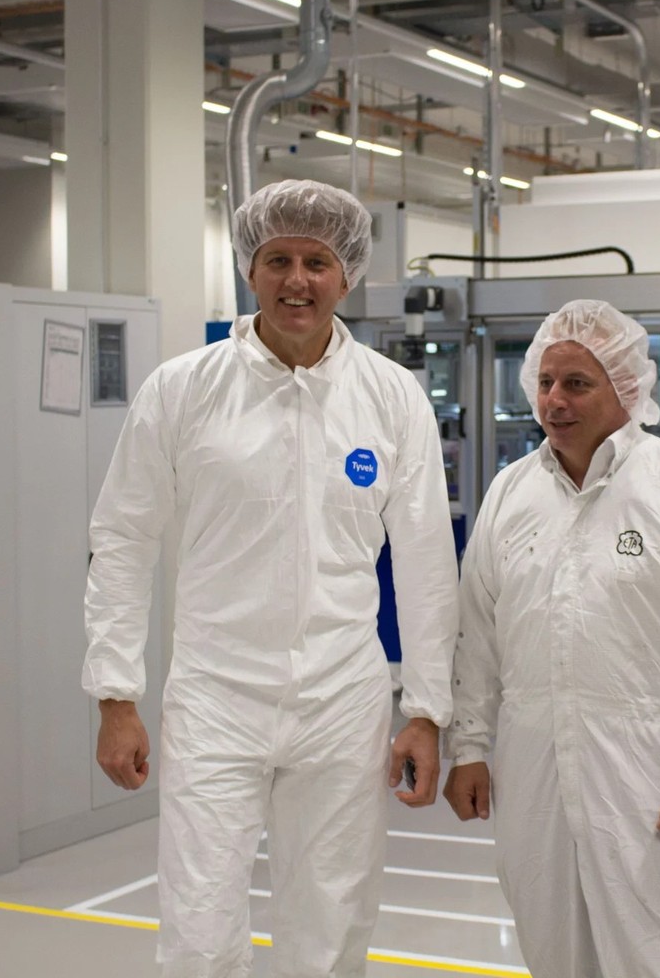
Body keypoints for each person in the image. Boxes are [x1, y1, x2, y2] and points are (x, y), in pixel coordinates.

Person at [83, 179, 458, 978]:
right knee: (199, 915)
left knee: (331, 915)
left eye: (317, 261)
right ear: (249, 271)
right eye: (278, 259)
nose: (298, 280)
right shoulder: (184, 390)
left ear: (346, 275)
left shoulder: (391, 398)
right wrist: (116, 695)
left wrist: (426, 709)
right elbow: (121, 540)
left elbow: (427, 562)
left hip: (342, 698)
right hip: (217, 696)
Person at [442, 299, 660, 978]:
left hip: (646, 772)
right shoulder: (511, 493)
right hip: (532, 768)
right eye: (545, 383)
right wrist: (470, 746)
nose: (555, 401)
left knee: (654, 956)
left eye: (577, 384)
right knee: (550, 949)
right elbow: (476, 631)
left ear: (625, 389)